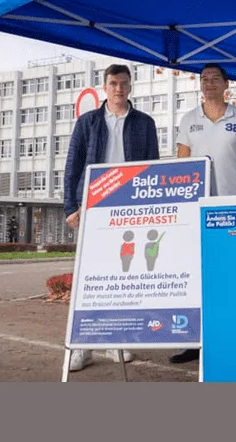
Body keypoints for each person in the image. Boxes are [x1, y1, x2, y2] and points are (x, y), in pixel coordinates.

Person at [63, 63, 160, 372]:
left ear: (130, 87)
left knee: (123, 276)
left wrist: (152, 208)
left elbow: (153, 167)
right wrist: (70, 206)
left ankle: (116, 340)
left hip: (130, 207)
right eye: (113, 83)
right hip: (94, 206)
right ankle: (82, 346)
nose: (119, 88)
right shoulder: (87, 122)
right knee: (89, 277)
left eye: (124, 83)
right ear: (104, 87)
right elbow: (72, 166)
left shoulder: (145, 123)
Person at [168, 63, 236, 364]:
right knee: (199, 274)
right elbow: (180, 165)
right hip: (198, 209)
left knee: (233, 271)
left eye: (215, 78)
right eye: (204, 79)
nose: (209, 83)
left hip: (234, 206)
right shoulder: (188, 120)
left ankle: (231, 335)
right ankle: (196, 340)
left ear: (226, 84)